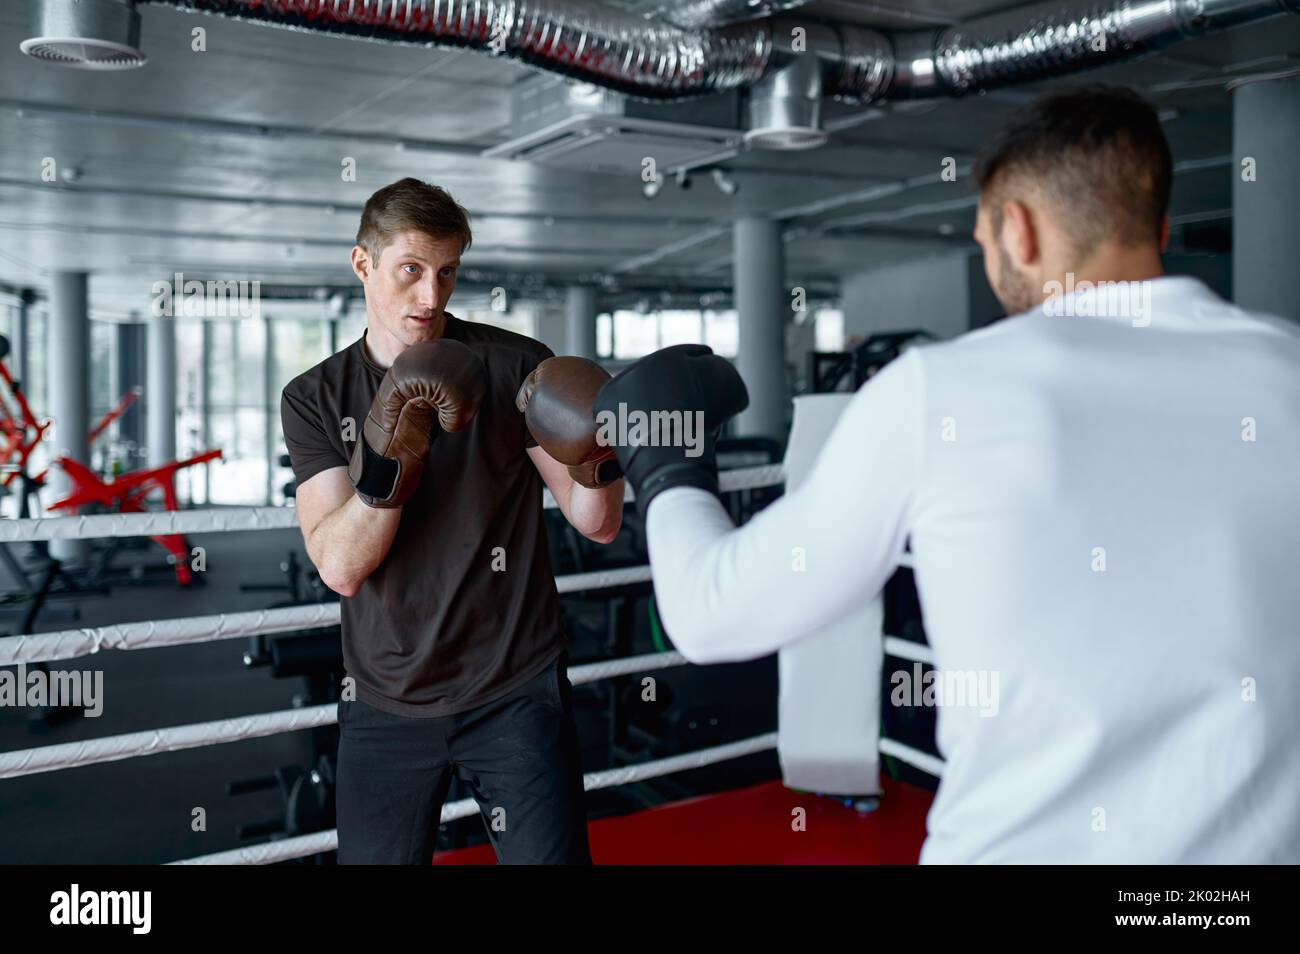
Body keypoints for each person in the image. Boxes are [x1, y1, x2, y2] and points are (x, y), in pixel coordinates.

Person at [596, 86, 1300, 863]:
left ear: (1018, 230)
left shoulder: (945, 390)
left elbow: (710, 613)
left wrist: (665, 460)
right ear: (1160, 226)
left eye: (984, 239)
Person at [280, 177, 623, 864]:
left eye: (447, 273)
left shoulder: (517, 367)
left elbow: (598, 524)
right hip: (385, 698)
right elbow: (341, 567)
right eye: (411, 270)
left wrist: (601, 452)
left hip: (515, 687)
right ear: (362, 264)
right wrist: (391, 454)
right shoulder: (315, 396)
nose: (431, 297)